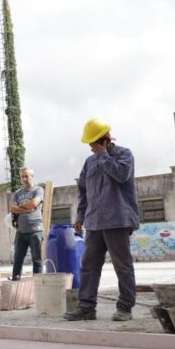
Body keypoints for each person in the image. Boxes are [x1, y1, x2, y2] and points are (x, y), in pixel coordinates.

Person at [64, 118, 139, 322]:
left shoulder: (124, 155)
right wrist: (80, 216)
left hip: (117, 220)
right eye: (90, 144)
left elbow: (122, 175)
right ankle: (87, 307)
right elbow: (84, 192)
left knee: (122, 265)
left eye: (94, 143)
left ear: (105, 139)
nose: (91, 147)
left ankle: (125, 307)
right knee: (89, 265)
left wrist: (104, 155)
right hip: (94, 222)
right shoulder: (90, 163)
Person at [10, 167, 44, 280]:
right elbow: (12, 208)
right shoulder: (17, 193)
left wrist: (21, 207)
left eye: (27, 176)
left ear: (32, 176)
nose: (24, 179)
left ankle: (37, 284)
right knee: (18, 259)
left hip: (35, 230)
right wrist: (26, 209)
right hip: (21, 231)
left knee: (36, 259)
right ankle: (15, 281)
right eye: (22, 176)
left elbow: (34, 203)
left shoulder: (38, 190)